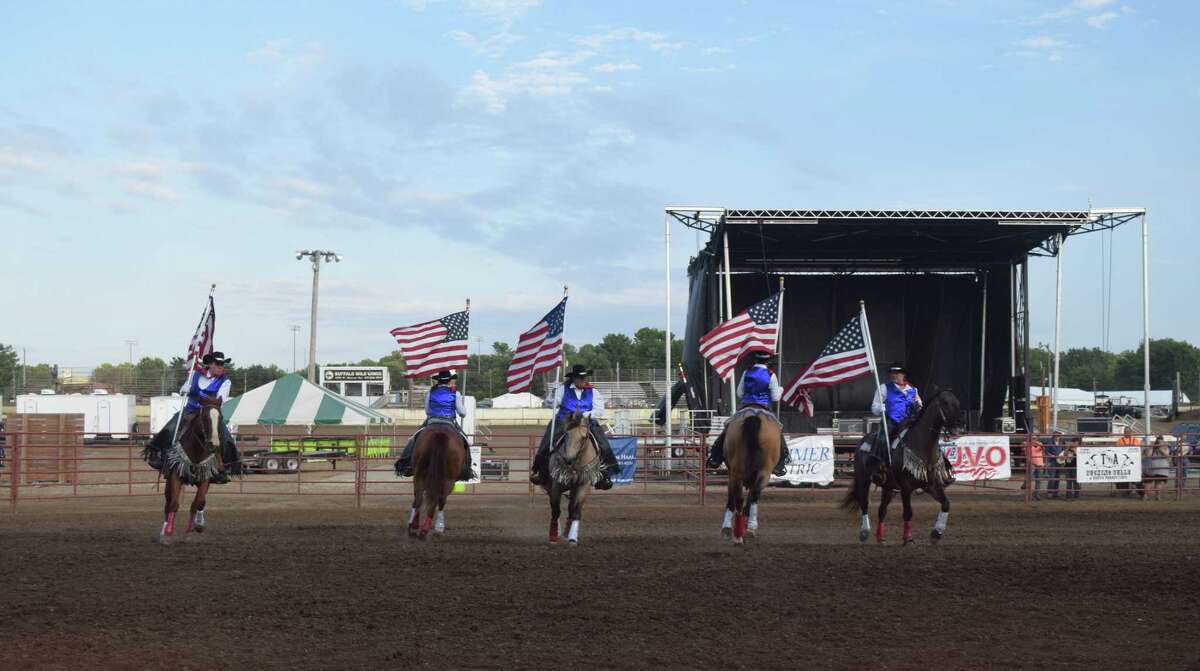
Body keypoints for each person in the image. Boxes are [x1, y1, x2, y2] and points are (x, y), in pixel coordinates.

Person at [144, 352, 240, 481]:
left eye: (222, 364)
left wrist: (196, 393)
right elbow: (183, 389)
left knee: (226, 437)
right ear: (210, 364)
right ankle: (157, 455)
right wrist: (184, 389)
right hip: (190, 410)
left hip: (210, 413)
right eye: (218, 364)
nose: (221, 367)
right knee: (170, 427)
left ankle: (225, 466)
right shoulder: (195, 374)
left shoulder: (225, 381)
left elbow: (218, 399)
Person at [529, 365, 620, 491]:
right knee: (547, 442)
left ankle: (604, 474)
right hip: (563, 420)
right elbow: (550, 404)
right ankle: (541, 471)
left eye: (584, 377)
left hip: (587, 421)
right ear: (574, 378)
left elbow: (599, 411)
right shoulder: (562, 389)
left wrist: (586, 415)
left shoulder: (593, 392)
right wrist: (552, 394)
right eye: (580, 377)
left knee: (603, 442)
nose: (583, 380)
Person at [705, 351, 790, 477]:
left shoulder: (746, 372)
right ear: (767, 361)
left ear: (755, 360)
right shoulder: (771, 375)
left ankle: (716, 456)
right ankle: (781, 461)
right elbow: (775, 397)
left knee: (728, 425)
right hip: (764, 407)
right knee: (778, 428)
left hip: (746, 407)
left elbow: (739, 393)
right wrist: (781, 390)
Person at [395, 370, 474, 481]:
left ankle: (405, 464)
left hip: (432, 421)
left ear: (438, 380)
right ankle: (466, 469)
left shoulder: (431, 392)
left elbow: (427, 411)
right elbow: (462, 413)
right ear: (449, 380)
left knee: (413, 439)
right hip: (449, 421)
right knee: (466, 442)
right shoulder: (455, 393)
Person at [869, 362, 924, 456]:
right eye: (892, 373)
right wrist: (882, 408)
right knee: (883, 440)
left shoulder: (913, 390)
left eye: (896, 373)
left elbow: (920, 406)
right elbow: (874, 407)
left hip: (909, 423)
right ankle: (879, 461)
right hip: (891, 422)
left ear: (903, 374)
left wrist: (918, 405)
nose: (893, 375)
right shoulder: (884, 388)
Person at [1115, 427, 1141, 497]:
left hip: (1134, 461)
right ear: (1124, 432)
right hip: (1123, 462)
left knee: (1134, 476)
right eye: (1126, 432)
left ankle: (1134, 489)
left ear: (1131, 432)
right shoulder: (1120, 440)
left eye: (1128, 432)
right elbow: (1117, 451)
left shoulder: (1136, 440)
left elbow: (1139, 449)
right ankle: (1124, 491)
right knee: (1123, 476)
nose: (1127, 433)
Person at [1142, 436, 1170, 501]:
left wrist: (1157, 447)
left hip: (1154, 468)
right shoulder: (1164, 447)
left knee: (1150, 483)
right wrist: (1155, 447)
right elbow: (1167, 455)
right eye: (1159, 441)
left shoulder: (1163, 447)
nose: (1159, 442)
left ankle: (1149, 496)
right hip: (1158, 468)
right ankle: (1155, 496)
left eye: (1160, 441)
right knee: (1155, 483)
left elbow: (1148, 455)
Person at [1043, 433, 1063, 499]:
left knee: (1057, 477)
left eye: (1058, 436)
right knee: (1052, 477)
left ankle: (1055, 493)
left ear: (1060, 437)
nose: (1057, 437)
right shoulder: (1050, 443)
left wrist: (1062, 456)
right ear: (1053, 436)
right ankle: (1049, 492)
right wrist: (1051, 455)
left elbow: (1063, 451)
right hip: (1052, 461)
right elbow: (1046, 451)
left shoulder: (1061, 443)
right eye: (1056, 436)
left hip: (1059, 461)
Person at [1028, 436, 1046, 501]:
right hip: (1032, 464)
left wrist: (1038, 444)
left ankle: (1037, 495)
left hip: (1039, 464)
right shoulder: (1028, 445)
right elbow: (1027, 454)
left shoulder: (1040, 444)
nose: (1034, 440)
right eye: (1032, 438)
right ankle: (1030, 495)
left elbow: (1043, 450)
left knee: (1038, 481)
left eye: (1035, 438)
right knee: (1030, 480)